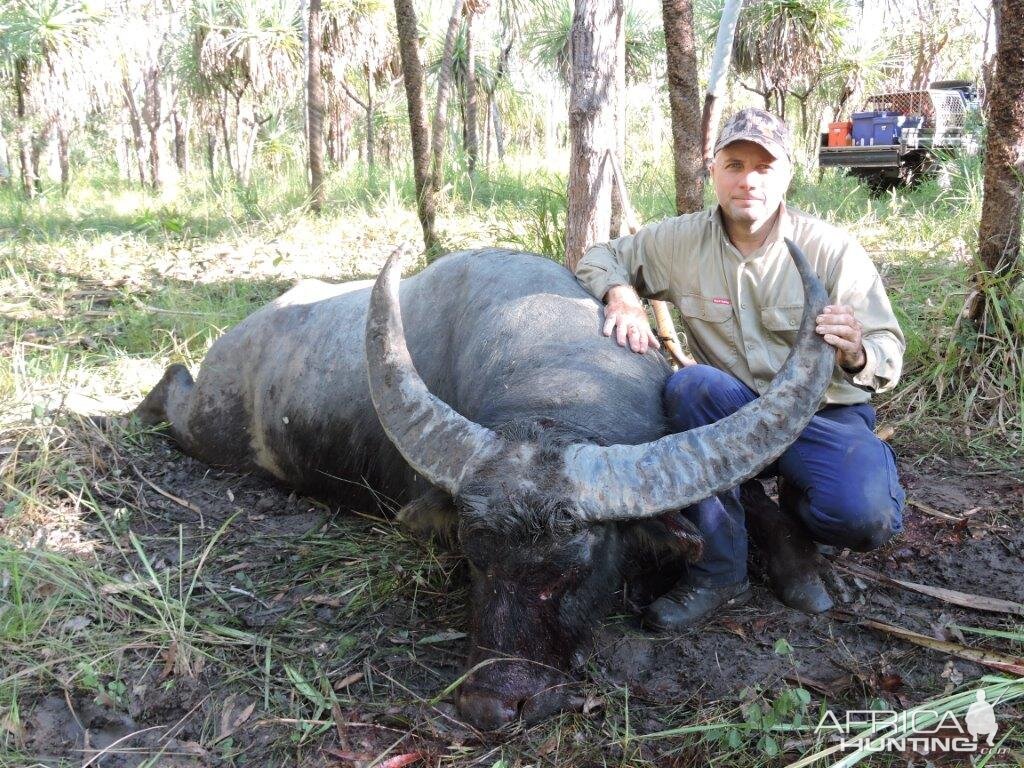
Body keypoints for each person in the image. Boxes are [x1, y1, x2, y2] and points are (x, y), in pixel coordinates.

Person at [574, 107, 906, 631]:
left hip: (819, 417)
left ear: (787, 175)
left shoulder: (831, 250)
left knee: (864, 517)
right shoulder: (679, 241)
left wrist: (857, 352)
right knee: (691, 387)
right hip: (729, 414)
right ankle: (718, 569)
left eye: (763, 167)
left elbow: (889, 351)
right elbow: (599, 257)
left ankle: (790, 523)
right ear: (714, 171)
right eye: (734, 164)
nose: (747, 180)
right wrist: (624, 297)